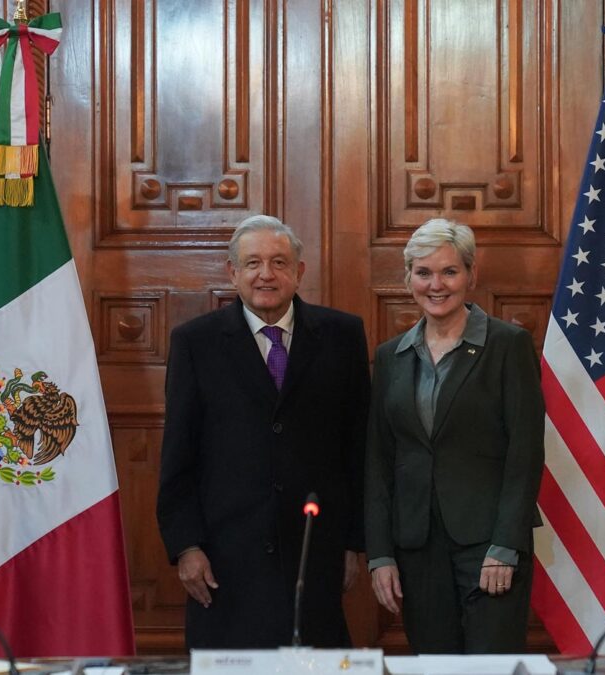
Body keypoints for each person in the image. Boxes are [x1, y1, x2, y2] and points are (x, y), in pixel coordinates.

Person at [157, 215, 370, 648]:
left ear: (299, 272)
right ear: (233, 272)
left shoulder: (342, 335)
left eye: (279, 262)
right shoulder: (195, 342)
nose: (266, 274)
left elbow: (359, 446)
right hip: (225, 557)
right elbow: (179, 453)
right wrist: (186, 546)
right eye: (252, 263)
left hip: (314, 551)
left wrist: (354, 542)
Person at [365, 218, 545, 653]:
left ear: (471, 275)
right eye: (423, 272)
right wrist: (380, 555)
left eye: (449, 271)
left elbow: (525, 453)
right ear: (408, 278)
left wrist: (505, 545)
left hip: (489, 546)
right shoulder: (390, 357)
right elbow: (378, 461)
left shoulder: (508, 345)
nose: (436, 284)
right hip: (416, 547)